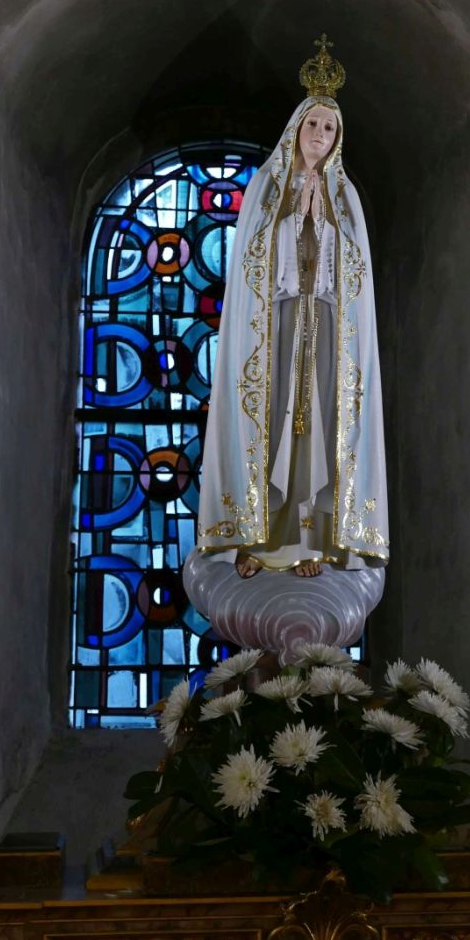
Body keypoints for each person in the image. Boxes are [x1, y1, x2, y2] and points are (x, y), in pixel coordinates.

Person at [197, 37, 388, 578]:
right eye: (313, 125)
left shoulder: (345, 196)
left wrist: (321, 221)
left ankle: (309, 540)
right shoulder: (266, 187)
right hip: (274, 324)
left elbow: (354, 273)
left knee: (319, 423)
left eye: (330, 128)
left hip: (325, 325)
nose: (320, 135)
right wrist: (293, 218)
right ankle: (256, 538)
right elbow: (250, 261)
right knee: (269, 418)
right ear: (296, 129)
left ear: (337, 138)